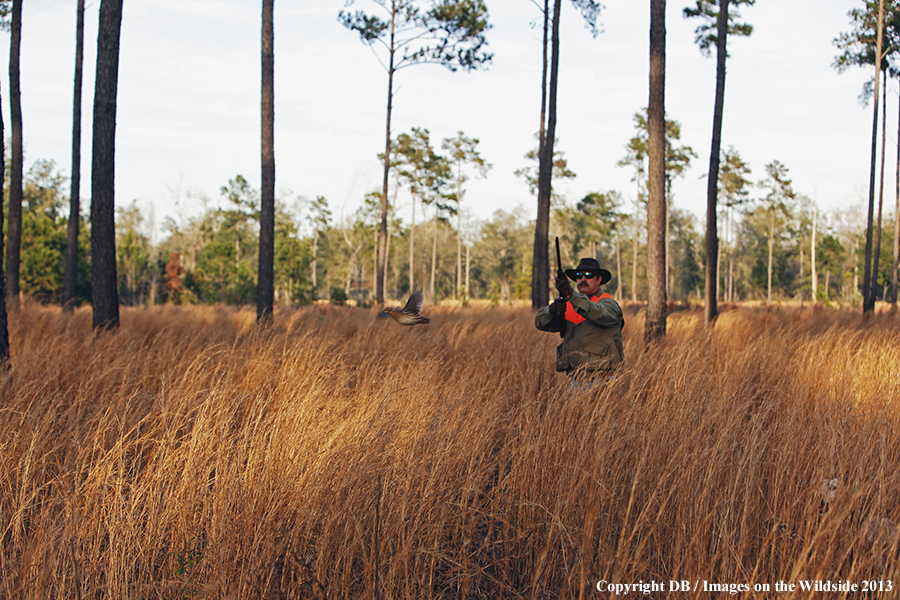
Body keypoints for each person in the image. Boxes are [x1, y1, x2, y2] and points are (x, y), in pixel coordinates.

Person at [535, 257, 625, 381]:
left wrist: (571, 294)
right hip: (575, 380)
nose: (583, 279)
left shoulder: (608, 303)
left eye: (589, 275)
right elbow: (540, 323)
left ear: (599, 279)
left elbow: (599, 314)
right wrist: (552, 309)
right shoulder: (569, 306)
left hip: (603, 379)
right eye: (579, 275)